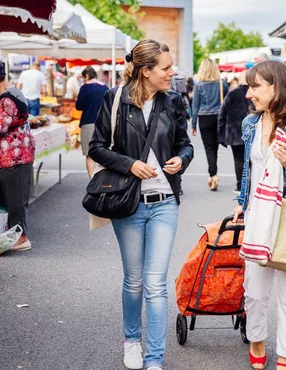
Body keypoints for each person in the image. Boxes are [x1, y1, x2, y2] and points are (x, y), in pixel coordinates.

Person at [88, 39, 194, 370]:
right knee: (134, 279)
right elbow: (96, 147)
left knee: (156, 282)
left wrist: (181, 158)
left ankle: (154, 358)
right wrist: (130, 164)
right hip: (129, 202)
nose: (172, 72)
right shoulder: (115, 99)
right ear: (146, 71)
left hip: (165, 203)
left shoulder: (174, 100)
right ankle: (131, 341)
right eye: (165, 68)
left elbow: (185, 144)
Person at [232, 61, 286, 370]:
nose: (248, 94)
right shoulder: (250, 124)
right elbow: (249, 170)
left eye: (255, 87)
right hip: (257, 213)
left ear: (275, 88)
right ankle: (256, 338)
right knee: (254, 289)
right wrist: (242, 202)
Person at [0, 61, 35, 251]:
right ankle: (15, 235)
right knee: (14, 199)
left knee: (14, 200)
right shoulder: (15, 92)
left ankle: (21, 238)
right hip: (18, 155)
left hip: (13, 157)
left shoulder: (7, 100)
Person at [192, 58, 228, 191]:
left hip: (204, 118)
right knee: (215, 147)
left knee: (209, 148)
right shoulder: (222, 83)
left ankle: (213, 175)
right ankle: (212, 174)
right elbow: (227, 102)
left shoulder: (199, 85)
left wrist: (193, 124)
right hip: (218, 117)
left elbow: (195, 107)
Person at [218, 71, 251, 194]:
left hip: (234, 133)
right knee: (251, 160)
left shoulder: (232, 94)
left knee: (238, 160)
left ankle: (240, 185)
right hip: (251, 133)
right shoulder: (254, 95)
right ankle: (250, 185)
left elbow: (221, 114)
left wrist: (220, 133)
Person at [75, 66, 108, 177]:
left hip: (88, 122)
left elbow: (78, 106)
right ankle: (103, 180)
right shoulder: (105, 88)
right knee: (104, 153)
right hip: (105, 124)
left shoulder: (85, 88)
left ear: (87, 76)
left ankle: (93, 181)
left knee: (90, 154)